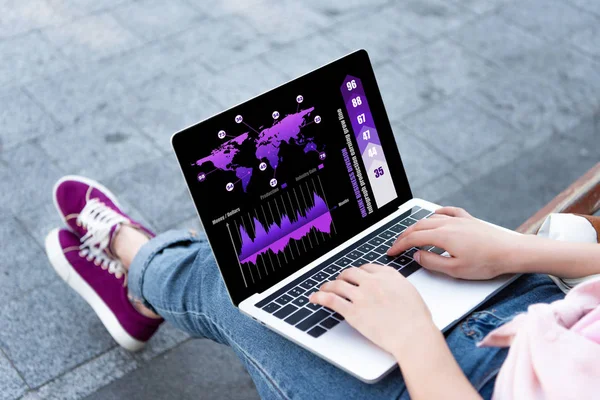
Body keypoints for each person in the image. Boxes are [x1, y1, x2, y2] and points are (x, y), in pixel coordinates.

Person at [46, 176, 600, 399]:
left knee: (236, 291)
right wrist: (515, 250)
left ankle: (129, 253)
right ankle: (139, 290)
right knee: (385, 236)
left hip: (444, 380)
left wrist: (413, 339)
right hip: (542, 311)